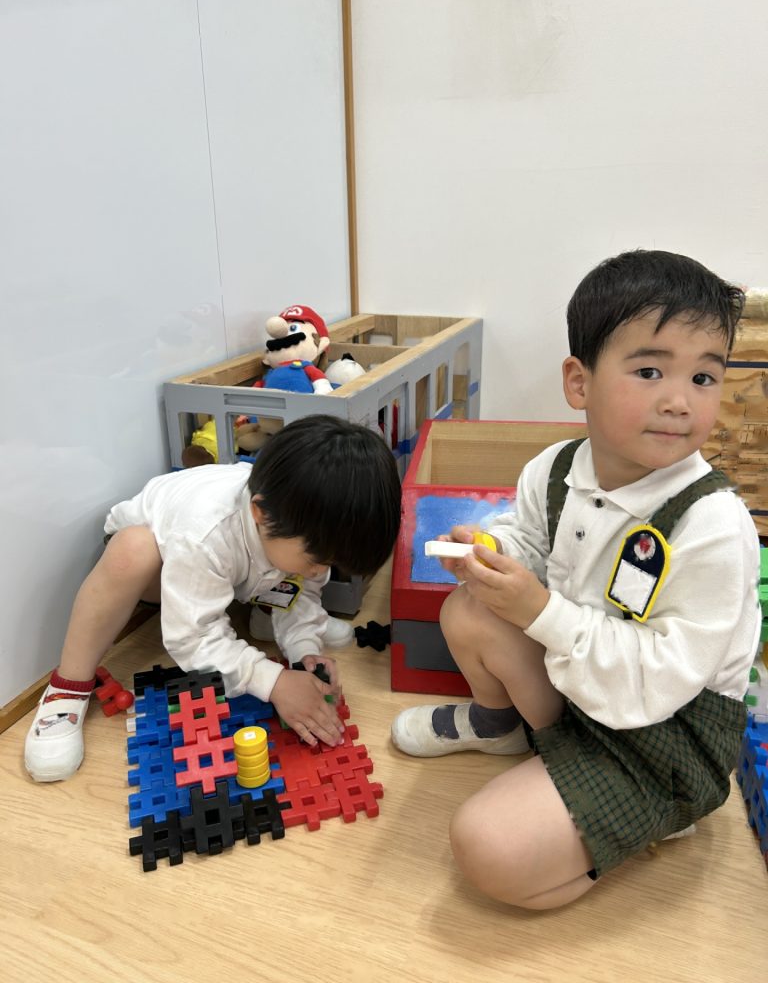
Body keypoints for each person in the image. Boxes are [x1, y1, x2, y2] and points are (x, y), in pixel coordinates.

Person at [391, 250, 762, 910]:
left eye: (704, 377)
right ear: (579, 382)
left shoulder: (711, 523)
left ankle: (658, 813)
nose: (679, 401)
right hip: (580, 684)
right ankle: (504, 729)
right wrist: (491, 551)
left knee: (488, 848)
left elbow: (660, 680)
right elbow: (530, 538)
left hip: (662, 732)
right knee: (467, 609)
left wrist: (539, 611)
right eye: (649, 371)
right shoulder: (557, 467)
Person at [25, 414, 402, 783]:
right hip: (156, 568)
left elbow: (301, 587)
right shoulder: (205, 533)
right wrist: (273, 681)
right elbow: (192, 637)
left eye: (331, 563)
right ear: (260, 513)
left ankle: (266, 613)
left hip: (230, 570)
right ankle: (66, 688)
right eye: (318, 560)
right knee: (133, 550)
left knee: (292, 572)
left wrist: (303, 649)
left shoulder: (291, 522)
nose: (321, 571)